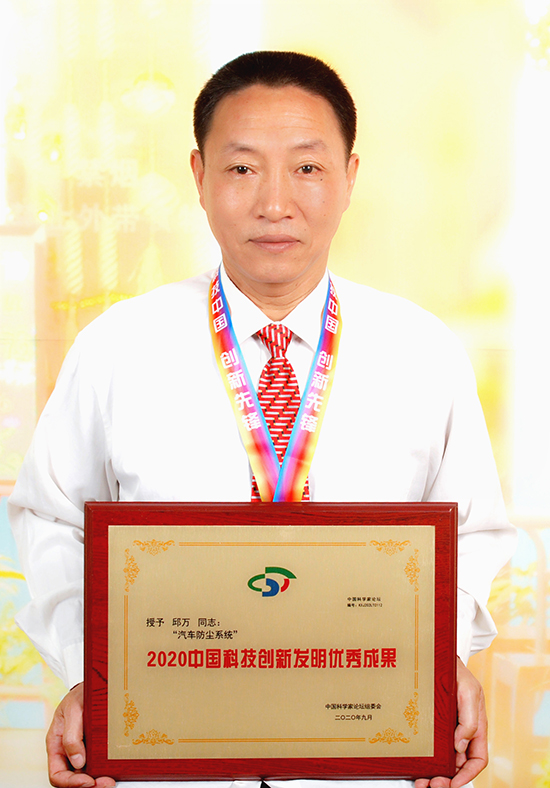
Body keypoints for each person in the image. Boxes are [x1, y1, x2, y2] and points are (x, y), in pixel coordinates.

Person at [9, 50, 515, 788]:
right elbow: (53, 517)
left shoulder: (422, 350)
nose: (275, 202)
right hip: (170, 747)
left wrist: (443, 663)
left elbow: (472, 531)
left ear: (350, 177)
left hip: (366, 749)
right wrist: (92, 671)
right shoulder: (117, 347)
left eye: (307, 167)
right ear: (199, 177)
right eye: (242, 168)